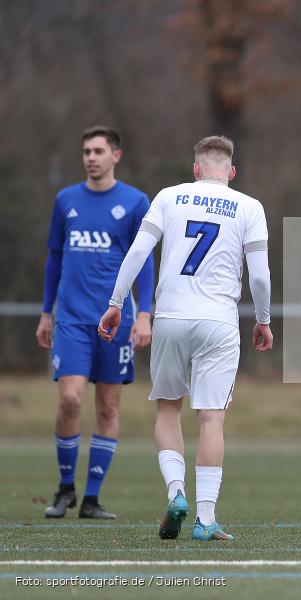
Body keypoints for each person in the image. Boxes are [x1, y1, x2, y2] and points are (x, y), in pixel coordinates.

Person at [98, 135, 273, 541]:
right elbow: (260, 275)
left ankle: (176, 493)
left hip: (171, 318)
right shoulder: (249, 206)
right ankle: (205, 519)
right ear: (231, 172)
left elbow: (137, 254)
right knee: (211, 417)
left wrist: (116, 302)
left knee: (167, 410)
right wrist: (262, 319)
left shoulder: (168, 197)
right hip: (218, 322)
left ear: (196, 170)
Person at [37, 126, 154, 519]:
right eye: (86, 150)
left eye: (99, 150)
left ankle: (91, 498)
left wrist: (144, 314)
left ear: (115, 156)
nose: (91, 156)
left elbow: (145, 261)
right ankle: (65, 488)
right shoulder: (65, 200)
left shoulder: (136, 202)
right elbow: (54, 256)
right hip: (70, 318)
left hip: (115, 320)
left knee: (107, 406)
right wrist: (45, 311)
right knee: (70, 398)